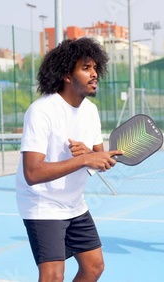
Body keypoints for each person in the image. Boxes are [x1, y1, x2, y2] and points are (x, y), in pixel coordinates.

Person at [15, 37, 123, 282]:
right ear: (66, 75)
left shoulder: (90, 111)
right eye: (86, 68)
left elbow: (101, 158)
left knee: (94, 267)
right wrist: (84, 160)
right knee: (53, 276)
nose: (94, 74)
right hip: (42, 203)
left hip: (75, 203)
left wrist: (92, 156)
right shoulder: (41, 111)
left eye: (95, 68)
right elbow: (32, 173)